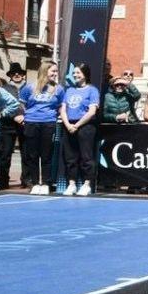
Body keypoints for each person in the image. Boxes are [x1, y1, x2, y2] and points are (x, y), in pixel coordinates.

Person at [20, 62, 63, 195]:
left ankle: (45, 183)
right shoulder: (29, 87)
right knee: (32, 155)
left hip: (49, 123)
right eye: (53, 71)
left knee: (46, 155)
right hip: (31, 123)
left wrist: (58, 116)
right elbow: (22, 104)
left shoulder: (59, 89)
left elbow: (61, 106)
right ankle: (34, 183)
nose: (55, 74)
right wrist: (26, 116)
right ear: (45, 71)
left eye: (56, 71)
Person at [60, 63, 100, 197]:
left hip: (85, 127)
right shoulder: (69, 90)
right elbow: (63, 109)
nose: (76, 75)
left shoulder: (92, 90)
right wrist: (68, 124)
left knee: (86, 157)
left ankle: (87, 184)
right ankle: (71, 185)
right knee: (70, 158)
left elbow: (92, 112)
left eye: (78, 73)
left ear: (85, 74)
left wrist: (77, 125)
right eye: (74, 73)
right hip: (68, 126)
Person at [0, 63, 27, 190]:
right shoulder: (4, 88)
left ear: (23, 75)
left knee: (27, 155)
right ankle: (3, 181)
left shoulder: (29, 87)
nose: (16, 75)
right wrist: (14, 116)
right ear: (9, 75)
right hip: (7, 126)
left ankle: (26, 180)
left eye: (19, 73)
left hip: (25, 125)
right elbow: (2, 106)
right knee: (4, 155)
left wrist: (26, 117)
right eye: (13, 73)